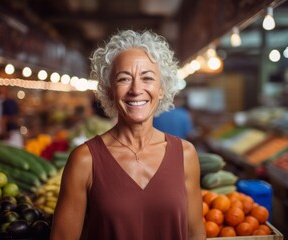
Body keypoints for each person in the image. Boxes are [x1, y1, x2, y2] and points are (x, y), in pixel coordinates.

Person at [50, 30, 205, 240]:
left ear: (162, 89)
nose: (136, 89)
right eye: (124, 79)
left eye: (147, 78)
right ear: (109, 90)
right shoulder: (84, 160)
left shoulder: (185, 155)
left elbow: (195, 234)